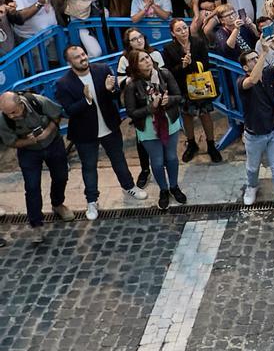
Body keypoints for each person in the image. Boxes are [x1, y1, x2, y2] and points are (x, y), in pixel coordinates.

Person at [55, 45, 147, 222]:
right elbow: (68, 111)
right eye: (77, 57)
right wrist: (86, 100)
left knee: (118, 159)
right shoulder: (63, 83)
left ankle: (129, 186)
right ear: (69, 62)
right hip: (84, 134)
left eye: (83, 54)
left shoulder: (102, 69)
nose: (82, 58)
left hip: (109, 126)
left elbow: (115, 97)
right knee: (89, 167)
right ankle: (91, 200)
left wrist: (111, 89)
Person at [0, 90, 70, 244]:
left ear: (20, 103)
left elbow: (57, 115)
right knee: (32, 187)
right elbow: (11, 142)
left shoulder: (37, 101)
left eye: (13, 112)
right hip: (28, 152)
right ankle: (36, 225)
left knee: (61, 176)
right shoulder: (3, 118)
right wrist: (29, 141)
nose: (11, 116)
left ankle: (58, 204)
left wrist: (46, 132)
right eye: (7, 113)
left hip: (53, 143)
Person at [122, 48, 188, 211]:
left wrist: (169, 100)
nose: (147, 61)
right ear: (136, 66)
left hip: (169, 122)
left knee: (172, 157)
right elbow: (131, 112)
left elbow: (179, 96)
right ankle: (163, 190)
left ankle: (174, 186)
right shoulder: (132, 86)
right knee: (157, 161)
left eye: (148, 57)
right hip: (148, 128)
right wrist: (151, 108)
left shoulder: (164, 74)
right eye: (142, 60)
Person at [238, 38, 274, 225]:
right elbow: (253, 79)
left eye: (257, 58)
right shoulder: (242, 81)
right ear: (245, 67)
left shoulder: (269, 73)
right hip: (254, 135)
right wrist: (262, 53)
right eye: (252, 60)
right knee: (252, 167)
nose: (256, 61)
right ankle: (252, 186)